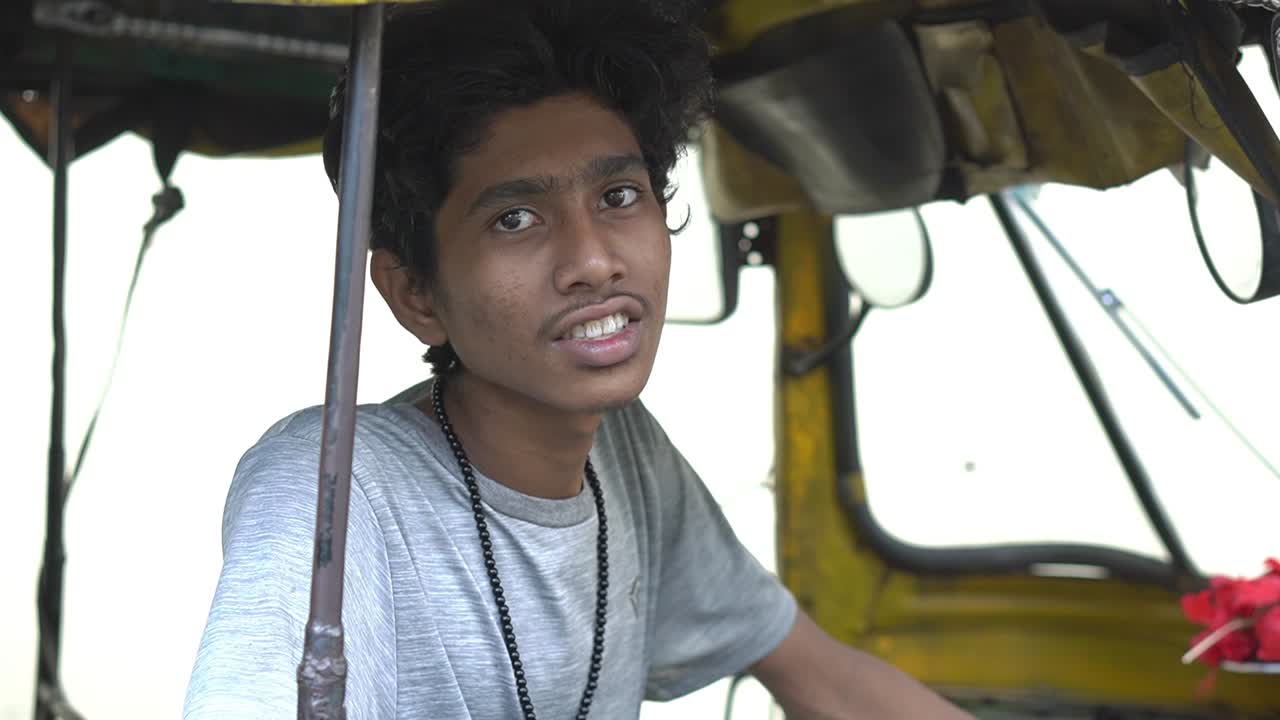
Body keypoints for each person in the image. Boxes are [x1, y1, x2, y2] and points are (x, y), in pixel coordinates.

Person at [183, 1, 975, 717]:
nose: (593, 261)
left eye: (620, 197)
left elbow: (826, 680)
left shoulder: (627, 455)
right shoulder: (332, 479)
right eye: (517, 218)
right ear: (416, 293)